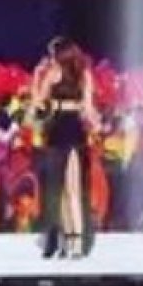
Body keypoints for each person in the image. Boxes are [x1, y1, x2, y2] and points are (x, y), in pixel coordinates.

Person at [32, 37, 98, 259]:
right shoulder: (55, 74)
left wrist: (96, 125)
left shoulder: (82, 75)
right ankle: (68, 240)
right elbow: (40, 103)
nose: (50, 59)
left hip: (72, 132)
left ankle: (76, 242)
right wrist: (38, 80)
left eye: (53, 54)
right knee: (61, 190)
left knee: (72, 189)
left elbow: (87, 107)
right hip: (58, 131)